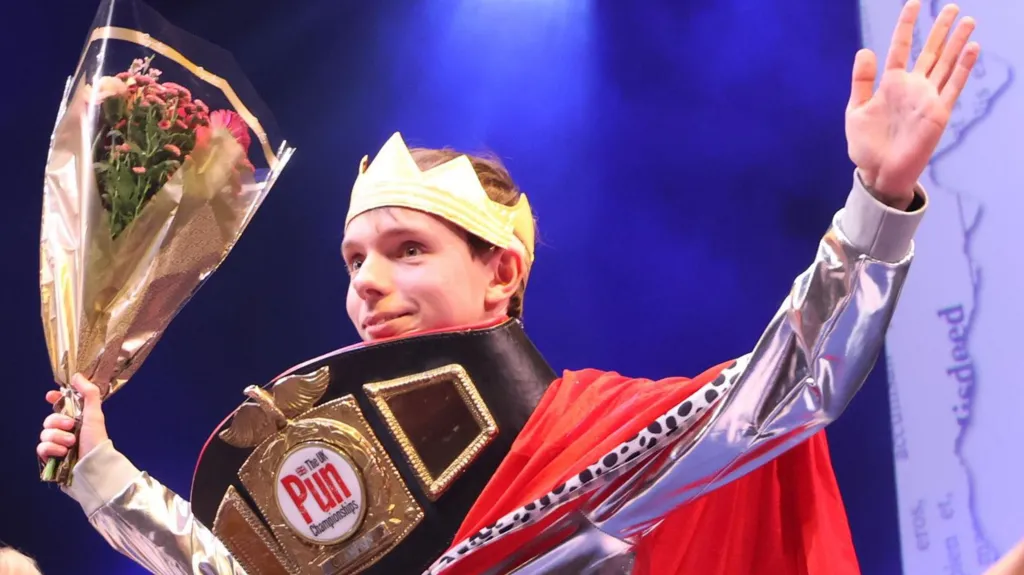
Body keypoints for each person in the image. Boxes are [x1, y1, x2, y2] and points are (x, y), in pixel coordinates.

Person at [37, 2, 980, 573]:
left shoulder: (604, 443)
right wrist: (101, 474)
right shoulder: (341, 500)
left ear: (501, 275)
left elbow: (795, 383)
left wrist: (879, 199)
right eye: (354, 261)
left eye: (407, 249)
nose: (367, 283)